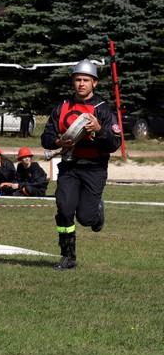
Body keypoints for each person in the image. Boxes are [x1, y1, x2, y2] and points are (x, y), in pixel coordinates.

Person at [41, 59, 122, 270]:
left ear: (95, 83)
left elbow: (114, 144)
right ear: (73, 82)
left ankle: (96, 211)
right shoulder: (62, 107)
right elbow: (46, 137)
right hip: (69, 167)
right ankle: (68, 256)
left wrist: (99, 130)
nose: (81, 84)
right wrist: (58, 141)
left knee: (86, 218)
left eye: (86, 80)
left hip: (94, 168)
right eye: (78, 79)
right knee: (64, 208)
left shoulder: (103, 109)